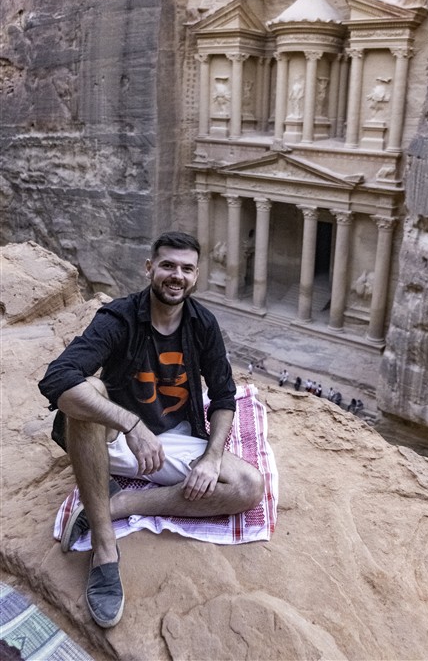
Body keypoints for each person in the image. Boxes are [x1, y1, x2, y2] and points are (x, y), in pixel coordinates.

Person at [38, 232, 264, 630]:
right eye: (168, 266)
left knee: (248, 486)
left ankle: (119, 504)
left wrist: (211, 458)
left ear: (196, 276)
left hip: (172, 438)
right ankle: (104, 550)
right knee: (87, 389)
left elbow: (224, 397)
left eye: (186, 268)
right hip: (111, 439)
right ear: (149, 268)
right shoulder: (119, 317)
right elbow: (57, 379)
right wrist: (131, 423)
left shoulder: (202, 324)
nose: (176, 276)